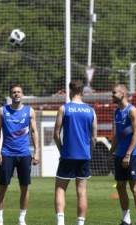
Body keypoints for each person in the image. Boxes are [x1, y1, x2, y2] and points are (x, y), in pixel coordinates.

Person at [0, 84, 40, 225]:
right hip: (7, 153)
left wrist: (37, 151)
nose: (16, 94)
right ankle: (0, 218)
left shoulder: (29, 111)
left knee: (25, 187)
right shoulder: (2, 111)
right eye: (14, 92)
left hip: (24, 154)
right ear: (10, 95)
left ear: (22, 94)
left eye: (19, 92)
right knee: (3, 186)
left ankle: (22, 219)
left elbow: (34, 132)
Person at [53, 80, 97, 225]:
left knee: (60, 188)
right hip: (84, 156)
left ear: (70, 91)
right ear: (82, 91)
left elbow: (56, 134)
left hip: (68, 155)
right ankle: (80, 223)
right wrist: (89, 153)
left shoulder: (64, 109)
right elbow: (94, 137)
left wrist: (62, 150)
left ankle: (60, 222)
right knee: (81, 191)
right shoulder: (91, 110)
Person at [111, 84, 136, 225]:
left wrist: (128, 154)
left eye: (114, 93)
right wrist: (112, 150)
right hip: (119, 154)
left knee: (134, 187)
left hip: (133, 154)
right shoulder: (116, 111)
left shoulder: (133, 111)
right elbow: (117, 134)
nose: (112, 96)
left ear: (123, 93)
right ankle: (126, 219)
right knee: (120, 186)